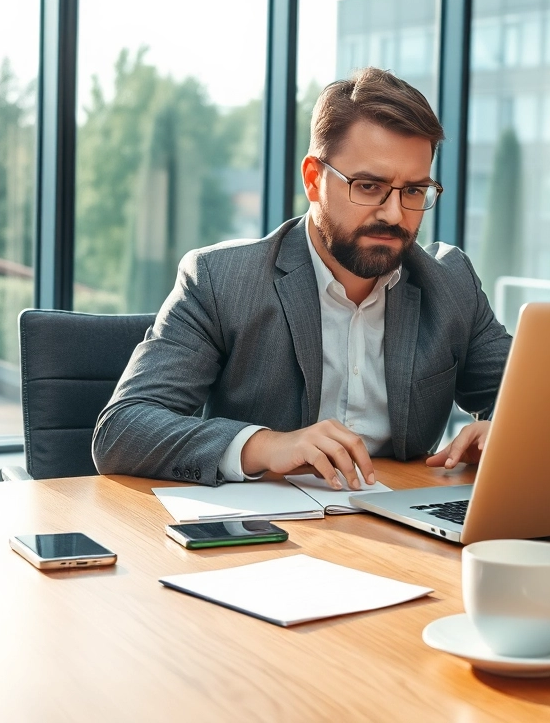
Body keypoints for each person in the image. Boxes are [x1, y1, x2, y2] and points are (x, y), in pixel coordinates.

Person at [92, 67, 512, 489]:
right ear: (313, 179)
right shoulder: (222, 281)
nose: (394, 214)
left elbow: (531, 400)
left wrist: (505, 431)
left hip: (403, 518)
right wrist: (266, 445)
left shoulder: (450, 283)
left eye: (414, 191)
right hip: (269, 523)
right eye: (369, 186)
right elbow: (123, 429)